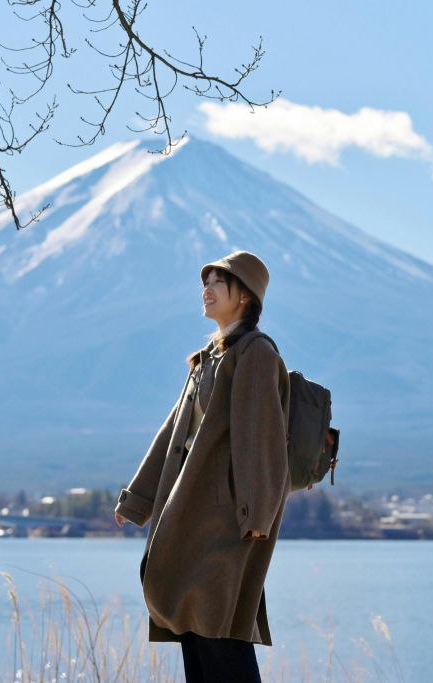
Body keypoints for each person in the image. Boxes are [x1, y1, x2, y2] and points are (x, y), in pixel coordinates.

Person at [113, 250, 292, 683]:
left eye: (218, 283)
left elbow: (261, 437)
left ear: (245, 297)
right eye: (205, 282)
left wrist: (255, 514)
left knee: (221, 631)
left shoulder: (256, 354)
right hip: (189, 513)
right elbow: (172, 433)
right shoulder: (208, 357)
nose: (206, 290)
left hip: (228, 520)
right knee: (193, 630)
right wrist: (136, 501)